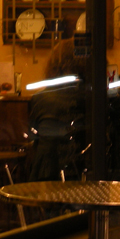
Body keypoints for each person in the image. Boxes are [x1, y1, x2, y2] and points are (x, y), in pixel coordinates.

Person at [27, 39, 89, 181]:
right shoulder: (90, 99)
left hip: (45, 173)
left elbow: (34, 136)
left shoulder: (41, 98)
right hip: (81, 172)